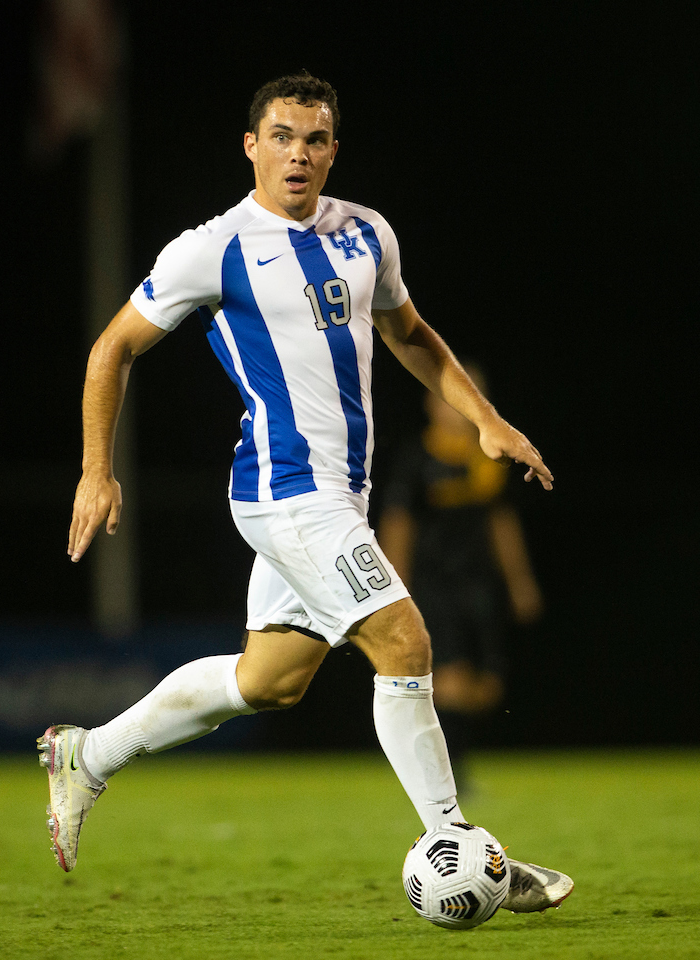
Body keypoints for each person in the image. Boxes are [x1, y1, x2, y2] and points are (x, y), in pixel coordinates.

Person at [39, 71, 572, 913]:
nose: (299, 153)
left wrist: (485, 419)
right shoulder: (212, 248)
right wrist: (95, 469)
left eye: (315, 139)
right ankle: (462, 848)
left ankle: (88, 755)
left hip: (341, 496)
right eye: (281, 136)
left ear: (333, 151)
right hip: (286, 493)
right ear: (251, 146)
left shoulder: (366, 234)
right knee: (404, 642)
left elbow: (412, 335)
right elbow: (113, 349)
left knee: (271, 680)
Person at [378, 365, 544, 790]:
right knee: (449, 680)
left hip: (480, 584)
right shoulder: (419, 456)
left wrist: (520, 583)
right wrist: (394, 587)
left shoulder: (488, 458)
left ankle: (441, 757)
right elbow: (398, 523)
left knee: (486, 688)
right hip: (432, 585)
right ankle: (446, 778)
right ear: (433, 403)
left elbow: (501, 523)